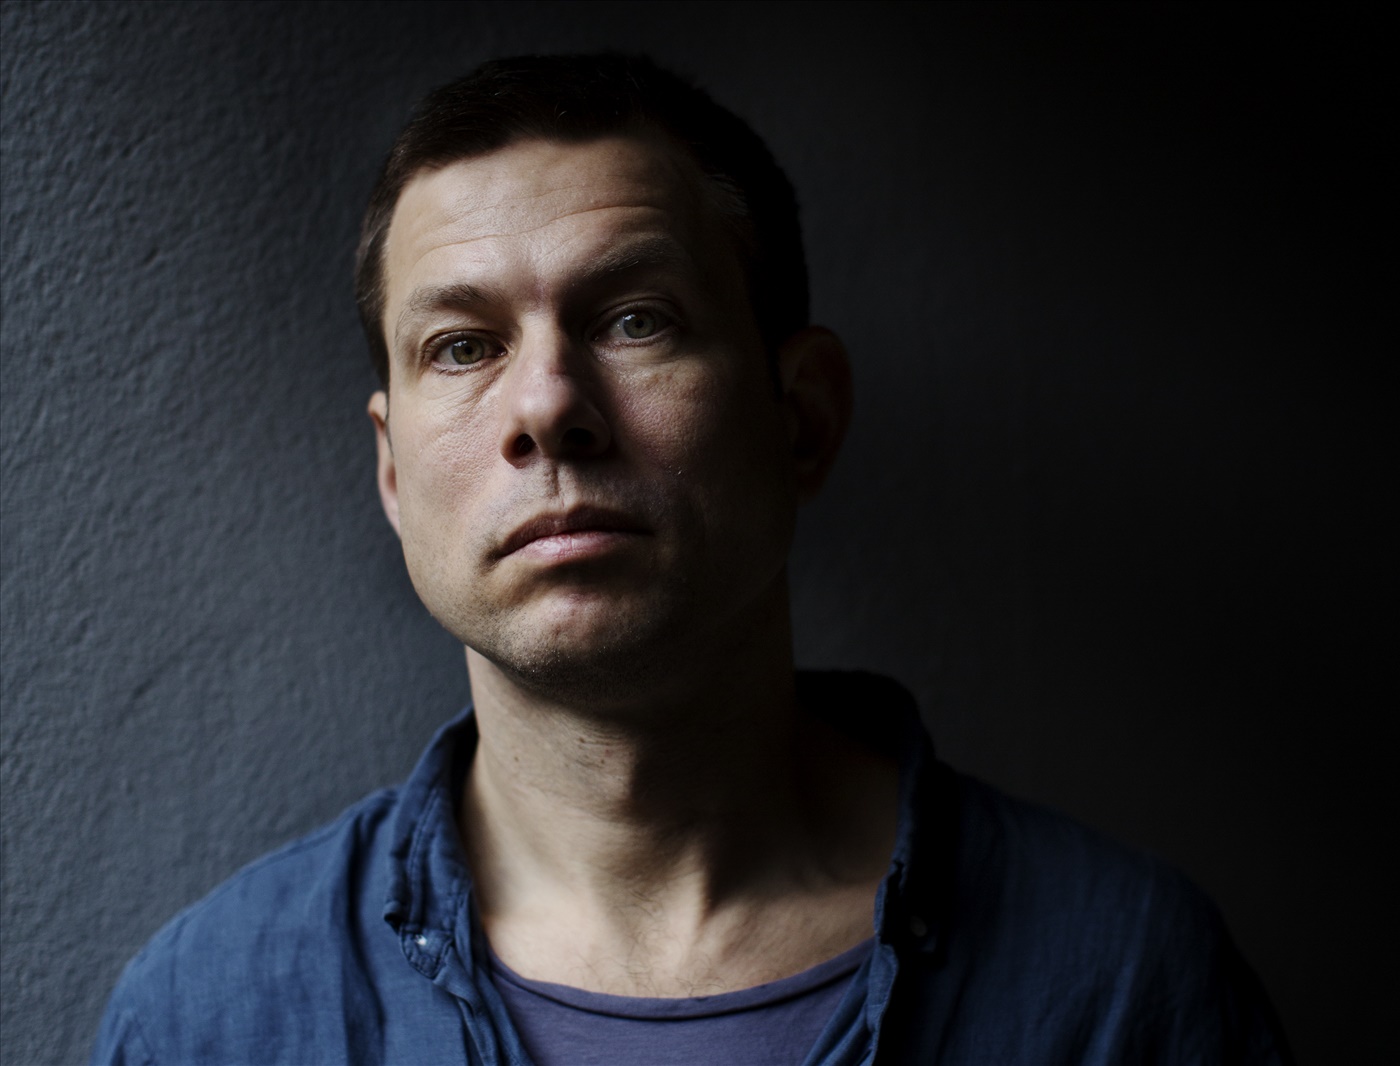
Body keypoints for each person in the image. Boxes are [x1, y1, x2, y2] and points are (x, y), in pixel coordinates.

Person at [92, 54, 1291, 1065]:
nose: (546, 405)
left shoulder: (1120, 982)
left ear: (800, 416)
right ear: (393, 471)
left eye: (634, 319)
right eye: (462, 345)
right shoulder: (211, 1020)